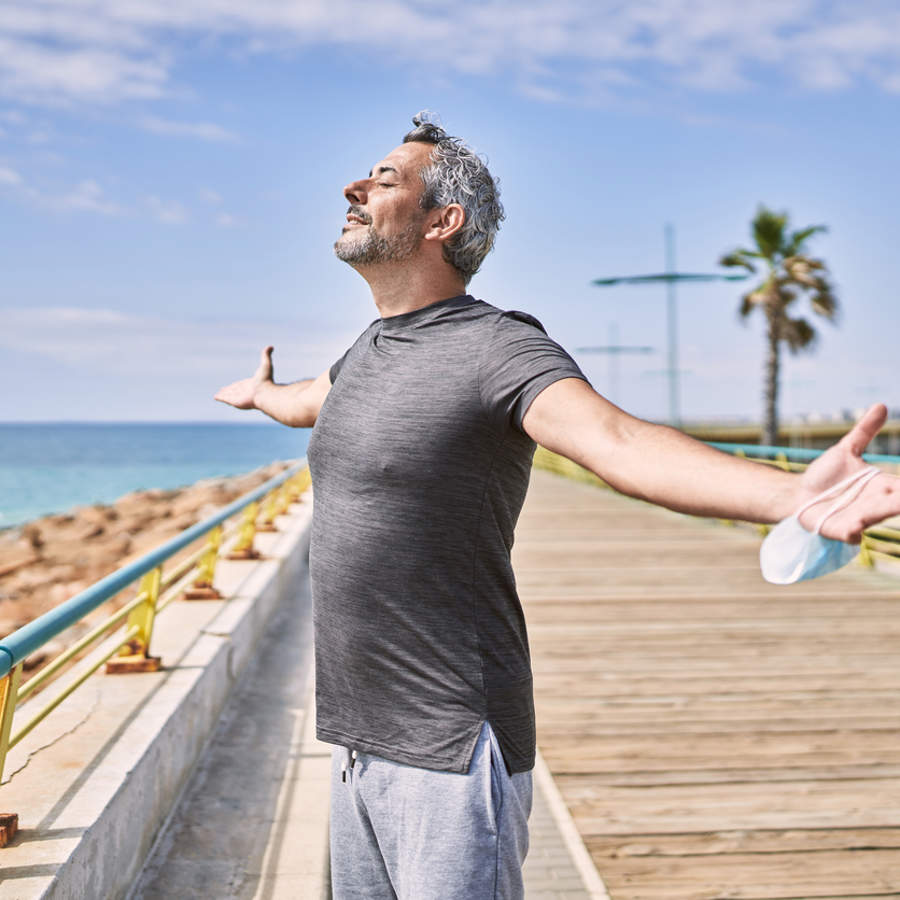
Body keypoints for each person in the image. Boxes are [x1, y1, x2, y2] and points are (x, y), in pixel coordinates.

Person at [215, 112, 900, 899]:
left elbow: (618, 441)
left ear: (444, 221)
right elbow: (314, 401)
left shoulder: (499, 347)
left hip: (450, 744)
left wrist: (790, 494)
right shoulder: (367, 351)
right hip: (356, 738)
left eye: (384, 178)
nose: (353, 186)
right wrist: (264, 394)